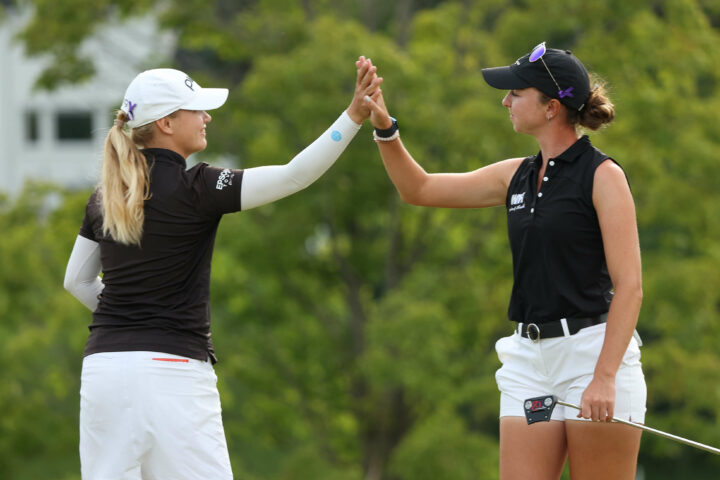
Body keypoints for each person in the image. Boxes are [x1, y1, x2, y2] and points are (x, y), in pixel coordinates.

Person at [63, 59, 382, 479]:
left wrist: (129, 316)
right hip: (173, 373)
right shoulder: (198, 186)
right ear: (167, 123)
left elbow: (76, 281)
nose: (207, 116)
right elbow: (294, 176)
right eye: (196, 108)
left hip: (105, 369)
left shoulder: (105, 195)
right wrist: (353, 116)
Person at [361, 43, 646, 480]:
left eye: (516, 92)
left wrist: (605, 377)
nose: (505, 100)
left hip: (594, 355)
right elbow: (418, 189)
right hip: (529, 361)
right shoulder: (517, 174)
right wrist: (385, 128)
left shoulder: (603, 176)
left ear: (551, 107)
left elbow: (630, 286)